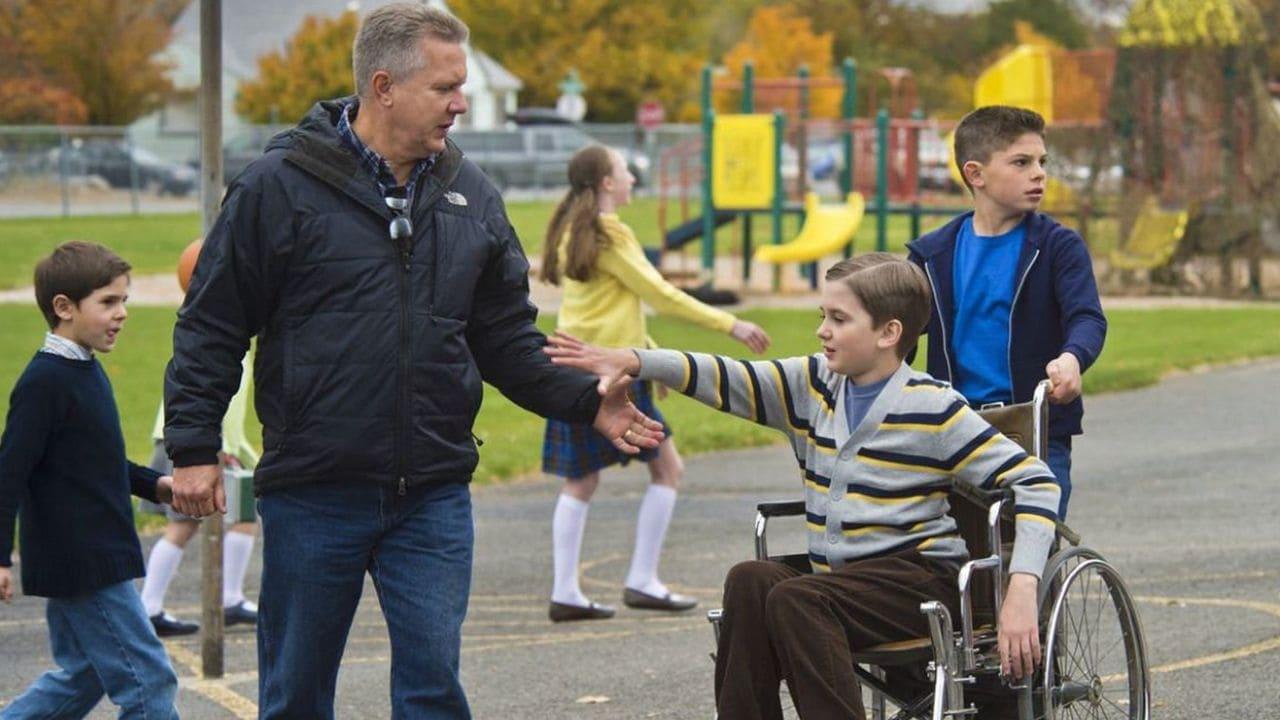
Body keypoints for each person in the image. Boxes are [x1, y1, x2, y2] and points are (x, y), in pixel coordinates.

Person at [161, 4, 661, 718]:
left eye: (463, 86)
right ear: (384, 86)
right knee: (296, 695)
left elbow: (507, 343)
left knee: (433, 691)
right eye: (446, 87)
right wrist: (193, 448)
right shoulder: (277, 188)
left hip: (431, 494)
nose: (462, 103)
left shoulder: (472, 196)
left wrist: (587, 400)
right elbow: (211, 325)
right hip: (313, 491)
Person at [545, 253, 1060, 720]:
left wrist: (1022, 585)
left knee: (799, 600)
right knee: (751, 579)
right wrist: (636, 361)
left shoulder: (934, 407)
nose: (822, 331)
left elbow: (1036, 482)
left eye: (838, 319)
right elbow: (726, 376)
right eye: (822, 316)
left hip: (918, 580)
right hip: (837, 580)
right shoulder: (812, 385)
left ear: (888, 333)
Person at [538, 145, 771, 622]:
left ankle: (573, 591)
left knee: (583, 480)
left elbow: (615, 304)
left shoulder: (577, 228)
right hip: (607, 370)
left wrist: (653, 361)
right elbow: (660, 295)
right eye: (624, 171)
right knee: (664, 471)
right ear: (606, 182)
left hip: (590, 365)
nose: (630, 179)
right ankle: (636, 581)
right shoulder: (608, 233)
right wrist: (732, 325)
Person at [0, 241, 179, 718]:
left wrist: (156, 484)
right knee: (150, 681)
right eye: (108, 302)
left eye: (124, 300)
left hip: (94, 554)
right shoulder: (45, 382)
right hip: (84, 560)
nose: (122, 313)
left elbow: (94, 461)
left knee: (86, 674)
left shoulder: (83, 370)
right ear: (64, 307)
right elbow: (9, 472)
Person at [907, 106, 1106, 520]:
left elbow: (1086, 317)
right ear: (975, 174)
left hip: (1033, 428)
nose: (1039, 173)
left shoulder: (1057, 247)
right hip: (953, 428)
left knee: (1027, 547)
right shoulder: (933, 254)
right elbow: (896, 332)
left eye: (1042, 162)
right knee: (949, 551)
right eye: (1021, 162)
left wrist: (1071, 360)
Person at [141, 240, 259, 637]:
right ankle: (150, 607)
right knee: (186, 525)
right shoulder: (220, 337)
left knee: (242, 517)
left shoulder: (217, 331)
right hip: (194, 447)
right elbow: (216, 403)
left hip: (205, 443)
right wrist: (220, 449)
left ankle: (228, 600)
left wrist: (241, 450)